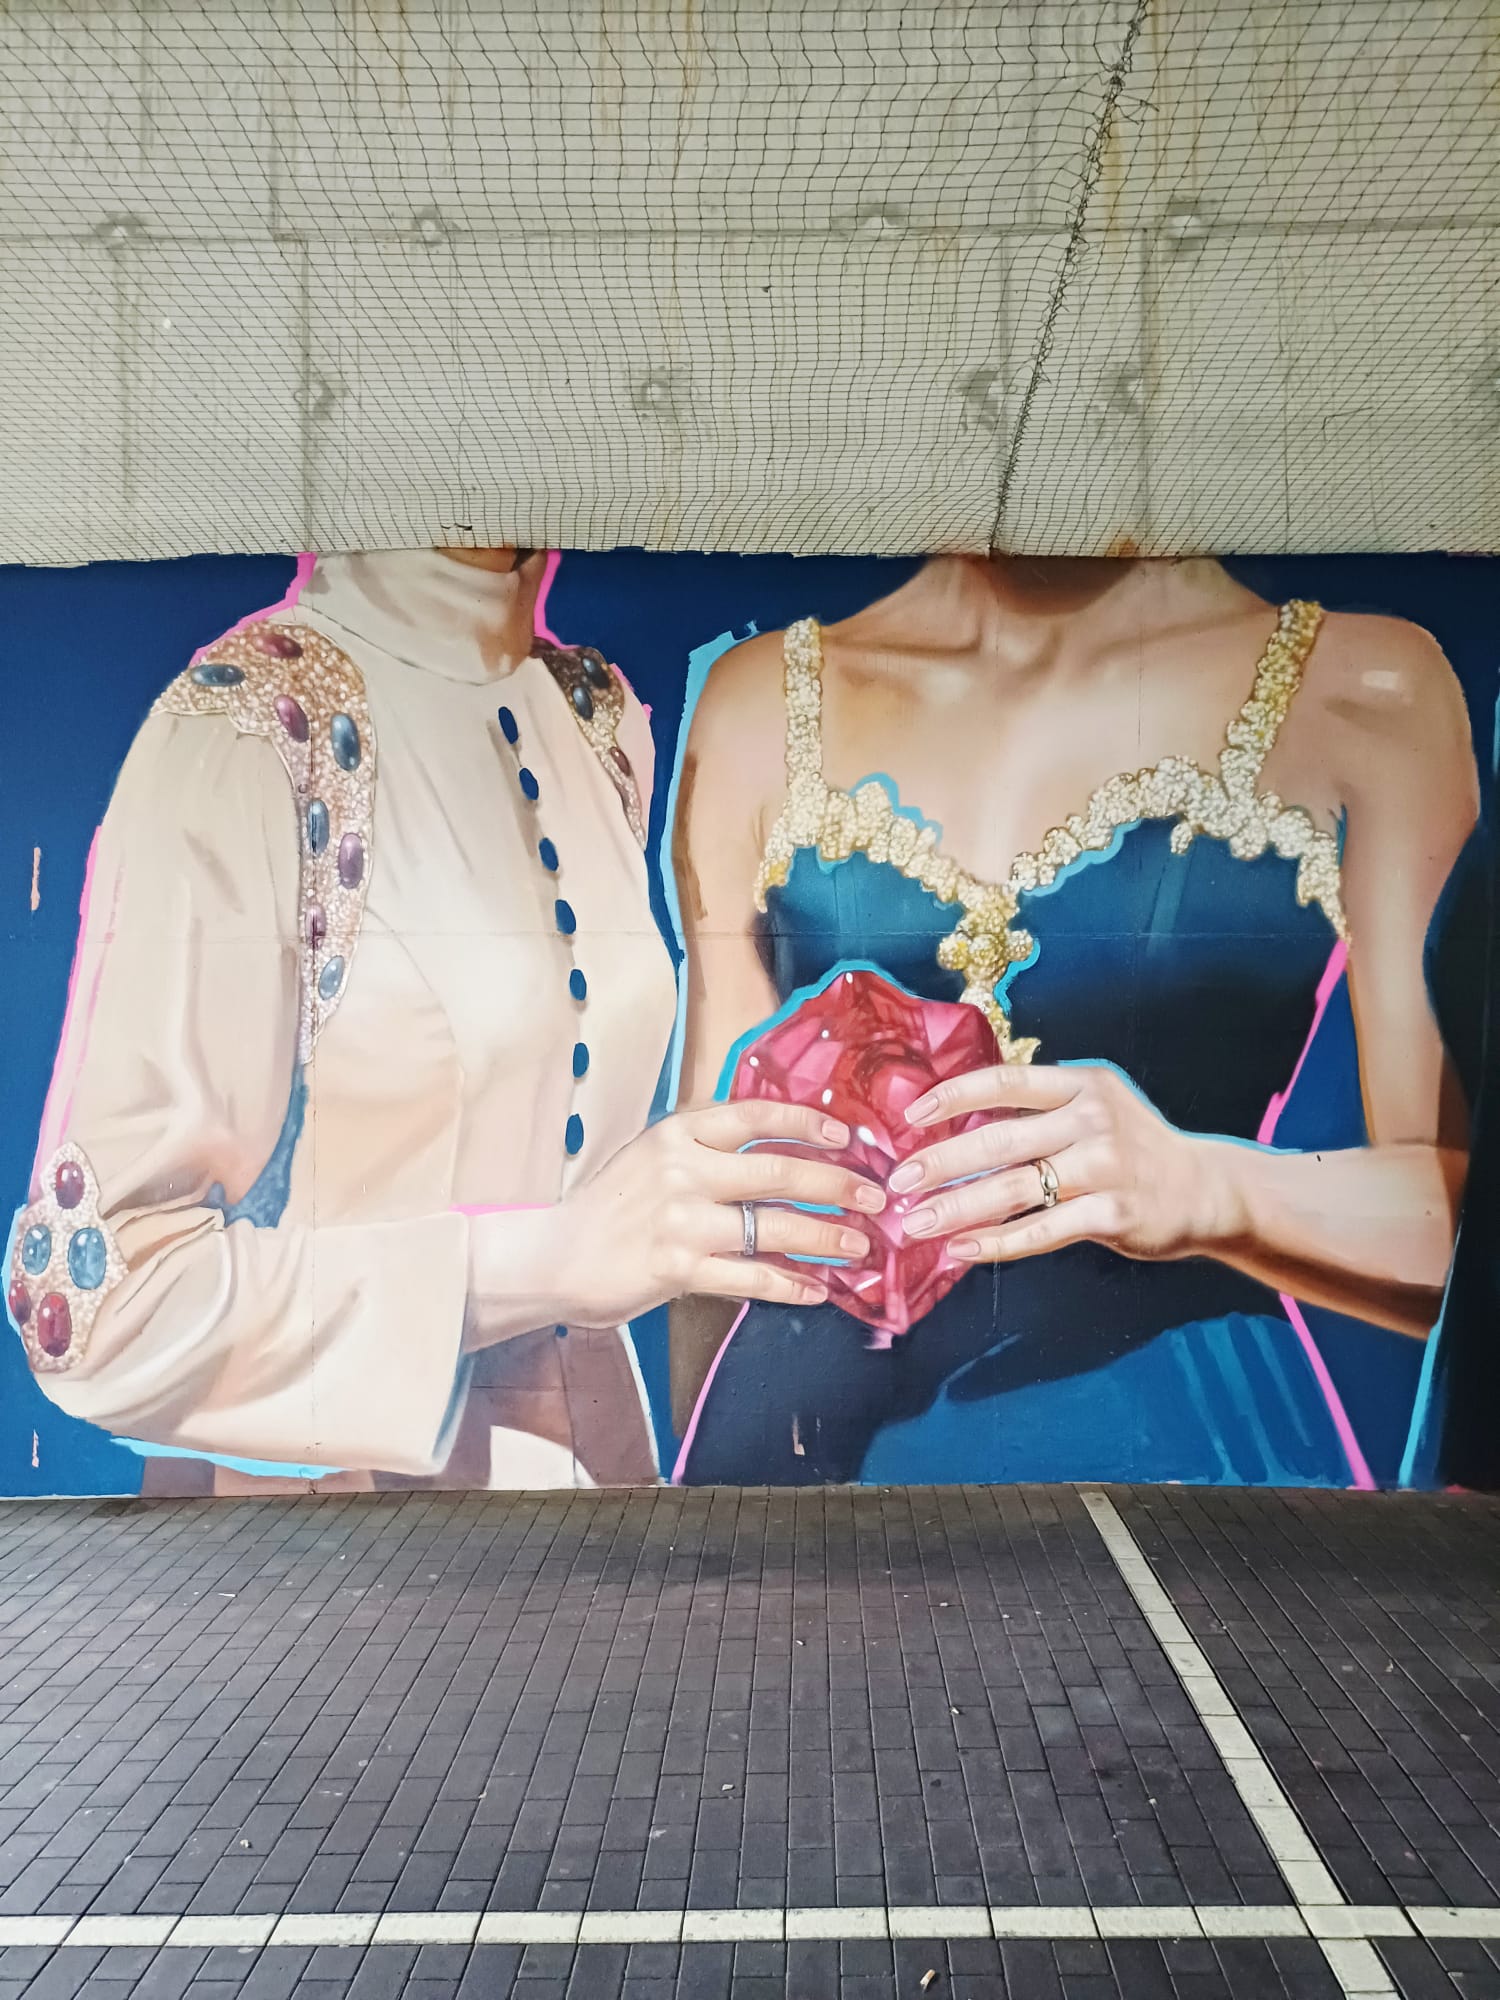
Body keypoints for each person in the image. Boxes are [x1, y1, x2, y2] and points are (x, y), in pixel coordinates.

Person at [6, 547, 880, 1491]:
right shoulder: (246, 732)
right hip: (324, 1534)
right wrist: (546, 1261)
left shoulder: (592, 716)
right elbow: (97, 1309)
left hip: (602, 1486)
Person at [670, 554, 1476, 1485]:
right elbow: (713, 1193)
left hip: (1181, 1448)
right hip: (787, 1441)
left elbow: (1458, 1228)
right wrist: (679, 1510)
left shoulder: (1367, 686)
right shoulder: (761, 699)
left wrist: (1211, 1189)